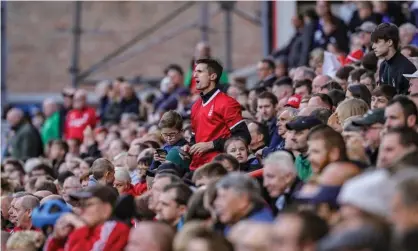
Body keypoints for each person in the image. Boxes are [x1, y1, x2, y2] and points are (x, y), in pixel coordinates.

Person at [185, 58, 250, 171]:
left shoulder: (227, 103)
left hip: (218, 168)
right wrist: (189, 147)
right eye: (194, 72)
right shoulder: (195, 106)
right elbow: (195, 138)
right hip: (196, 168)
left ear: (213, 76)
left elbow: (243, 136)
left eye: (200, 72)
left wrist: (211, 145)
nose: (194, 75)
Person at [44, 185, 130, 251]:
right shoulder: (86, 229)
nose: (81, 209)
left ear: (106, 209)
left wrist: (80, 229)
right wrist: (56, 239)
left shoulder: (117, 228)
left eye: (88, 205)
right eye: (80, 205)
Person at [372, 23, 416, 94]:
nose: (373, 46)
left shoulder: (407, 69)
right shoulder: (383, 65)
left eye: (377, 42)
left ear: (389, 42)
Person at [286, 116, 323, 181]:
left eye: (299, 133)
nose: (293, 137)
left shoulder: (321, 161)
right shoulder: (299, 159)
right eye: (293, 132)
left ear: (314, 135)